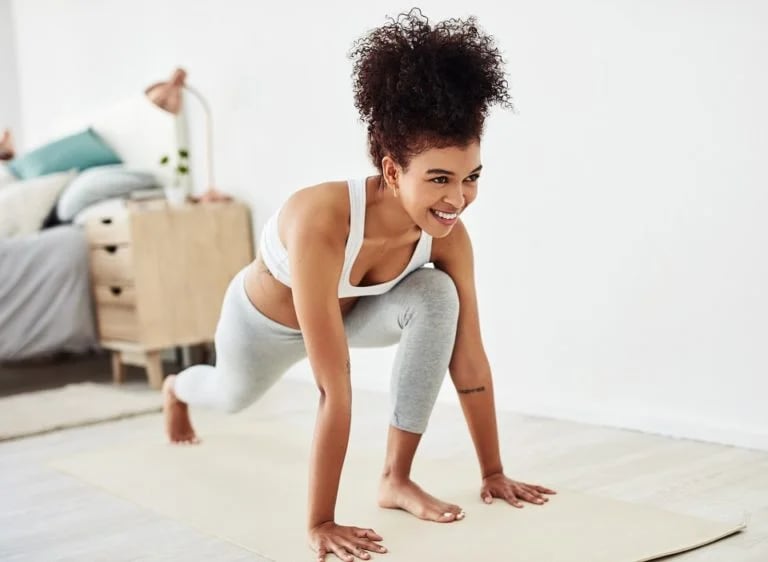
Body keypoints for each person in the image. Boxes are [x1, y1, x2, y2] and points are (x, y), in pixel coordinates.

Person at [162, 8, 557, 561]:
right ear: (393, 171)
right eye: (439, 179)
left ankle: (396, 479)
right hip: (268, 326)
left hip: (356, 316)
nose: (457, 199)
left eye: (471, 178)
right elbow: (334, 389)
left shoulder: (448, 236)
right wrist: (320, 521)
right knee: (231, 396)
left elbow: (469, 360)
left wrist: (493, 472)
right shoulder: (321, 219)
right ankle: (177, 389)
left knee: (436, 296)